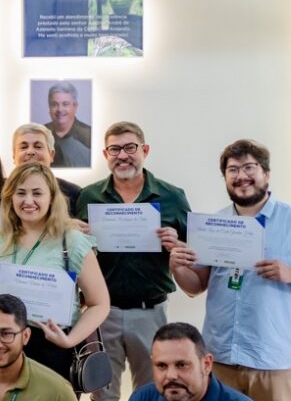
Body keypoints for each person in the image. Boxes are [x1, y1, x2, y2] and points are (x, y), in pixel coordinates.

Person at [169, 140, 291, 401]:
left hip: (274, 364)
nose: (241, 176)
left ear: (266, 174)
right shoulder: (213, 225)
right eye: (232, 169)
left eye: (249, 167)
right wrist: (177, 266)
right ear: (225, 177)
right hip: (221, 359)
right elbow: (195, 286)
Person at [75, 121, 191, 401]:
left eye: (130, 147)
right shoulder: (89, 196)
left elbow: (195, 254)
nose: (122, 155)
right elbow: (74, 253)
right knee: (102, 393)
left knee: (153, 391)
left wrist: (177, 244)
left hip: (150, 311)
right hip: (102, 312)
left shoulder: (172, 196)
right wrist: (76, 234)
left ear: (145, 150)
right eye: (114, 149)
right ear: (105, 155)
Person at [0, 163, 110, 383]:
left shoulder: (72, 241)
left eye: (37, 193)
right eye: (20, 193)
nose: (28, 201)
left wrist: (69, 341)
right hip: (6, 347)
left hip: (55, 349)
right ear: (10, 197)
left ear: (52, 197)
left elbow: (100, 304)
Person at [130, 323, 252, 401]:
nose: (171, 375)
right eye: (162, 366)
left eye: (181, 365)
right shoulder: (142, 397)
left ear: (206, 365)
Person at [12, 123, 83, 215]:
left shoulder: (74, 193)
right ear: (14, 155)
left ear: (51, 154)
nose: (30, 152)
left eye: (38, 147)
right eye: (23, 147)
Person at [45, 81, 91, 168]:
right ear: (49, 107)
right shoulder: (41, 133)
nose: (60, 109)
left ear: (75, 106)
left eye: (65, 104)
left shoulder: (90, 136)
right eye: (54, 104)